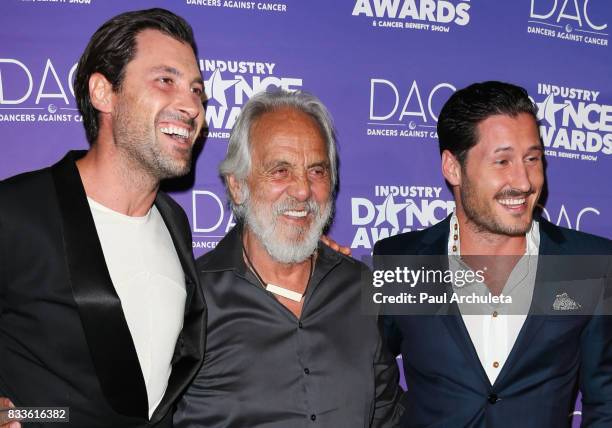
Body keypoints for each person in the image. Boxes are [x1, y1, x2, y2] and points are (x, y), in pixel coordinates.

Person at [0, 9, 207, 427]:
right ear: (103, 92)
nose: (191, 105)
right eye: (165, 81)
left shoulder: (174, 223)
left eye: (198, 90)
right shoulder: (14, 212)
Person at [374, 81, 612, 427]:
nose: (524, 181)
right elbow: (367, 376)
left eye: (532, 159)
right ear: (453, 168)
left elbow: (606, 401)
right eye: (502, 161)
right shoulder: (401, 261)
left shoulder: (590, 264)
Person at [174, 89, 403, 427]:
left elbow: (387, 415)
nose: (302, 190)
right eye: (281, 170)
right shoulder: (189, 298)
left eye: (317, 171)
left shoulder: (358, 287)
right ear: (237, 186)